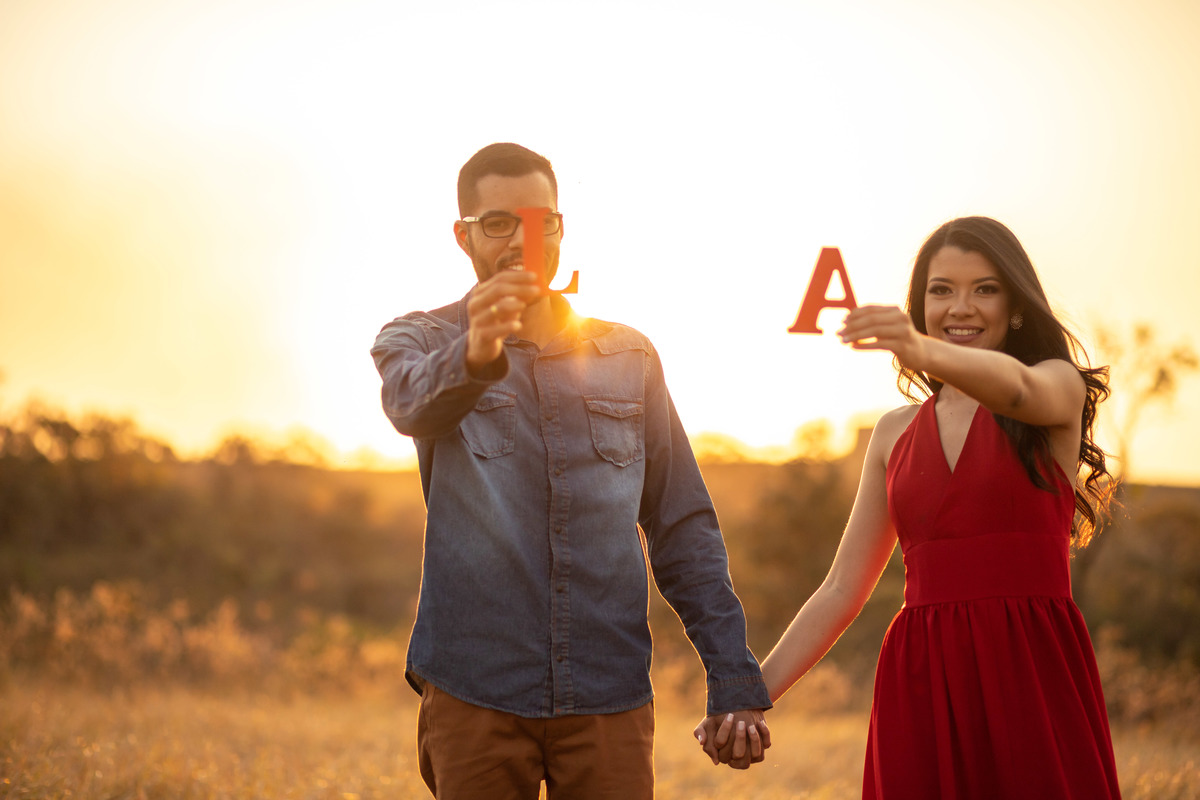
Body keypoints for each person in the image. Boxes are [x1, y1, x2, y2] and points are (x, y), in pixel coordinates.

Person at [370, 142, 771, 799]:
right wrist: (476, 350)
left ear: (560, 227)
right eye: (499, 222)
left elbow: (681, 526)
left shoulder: (628, 355)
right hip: (477, 689)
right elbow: (409, 403)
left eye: (541, 221)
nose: (524, 240)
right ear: (462, 235)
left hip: (608, 692)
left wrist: (731, 674)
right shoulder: (418, 339)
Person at [701, 216, 1122, 798]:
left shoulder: (1055, 387)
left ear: (1017, 306)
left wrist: (921, 350)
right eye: (941, 290)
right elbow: (842, 589)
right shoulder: (894, 433)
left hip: (1030, 666)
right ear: (920, 305)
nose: (961, 307)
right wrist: (749, 695)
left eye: (985, 289)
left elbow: (1017, 390)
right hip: (922, 678)